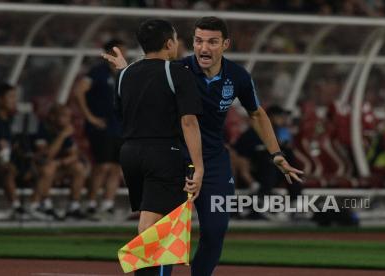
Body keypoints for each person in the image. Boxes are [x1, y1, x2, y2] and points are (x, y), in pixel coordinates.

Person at [103, 16, 303, 276]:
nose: (204, 48)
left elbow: (257, 114)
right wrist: (125, 69)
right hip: (175, 159)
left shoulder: (238, 76)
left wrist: (276, 154)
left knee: (215, 230)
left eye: (212, 42)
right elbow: (148, 76)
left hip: (215, 162)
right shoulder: (177, 70)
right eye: (198, 41)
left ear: (226, 44)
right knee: (163, 232)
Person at [116, 19, 203, 276]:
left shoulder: (125, 75)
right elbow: (188, 121)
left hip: (130, 153)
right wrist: (198, 167)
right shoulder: (177, 72)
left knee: (148, 225)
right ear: (169, 43)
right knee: (161, 230)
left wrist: (124, 69)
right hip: (163, 153)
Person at [74, 39, 125, 217]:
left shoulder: (123, 73)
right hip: (102, 127)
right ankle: (91, 202)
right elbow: (79, 91)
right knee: (102, 166)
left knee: (115, 167)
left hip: (119, 127)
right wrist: (90, 117)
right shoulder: (97, 72)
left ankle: (108, 204)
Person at [29, 104, 87, 220]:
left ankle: (73, 207)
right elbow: (47, 155)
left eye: (69, 117)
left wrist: (60, 163)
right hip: (35, 168)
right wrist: (62, 136)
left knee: (78, 168)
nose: (68, 120)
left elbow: (74, 155)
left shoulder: (64, 131)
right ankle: (40, 205)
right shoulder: (42, 129)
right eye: (64, 116)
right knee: (49, 167)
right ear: (52, 117)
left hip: (57, 167)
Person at [0, 82, 23, 218]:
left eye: (15, 97)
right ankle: (16, 207)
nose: (14, 100)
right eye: (11, 96)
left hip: (15, 161)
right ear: (0, 99)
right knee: (8, 170)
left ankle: (40, 205)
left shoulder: (15, 120)